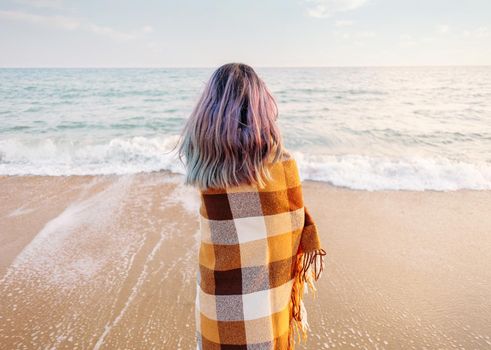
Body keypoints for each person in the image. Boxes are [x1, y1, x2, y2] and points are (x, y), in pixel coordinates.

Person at [177, 63, 326, 349]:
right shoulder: (282, 166)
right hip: (268, 305)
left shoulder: (205, 165)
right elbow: (291, 229)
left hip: (218, 299)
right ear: (262, 110)